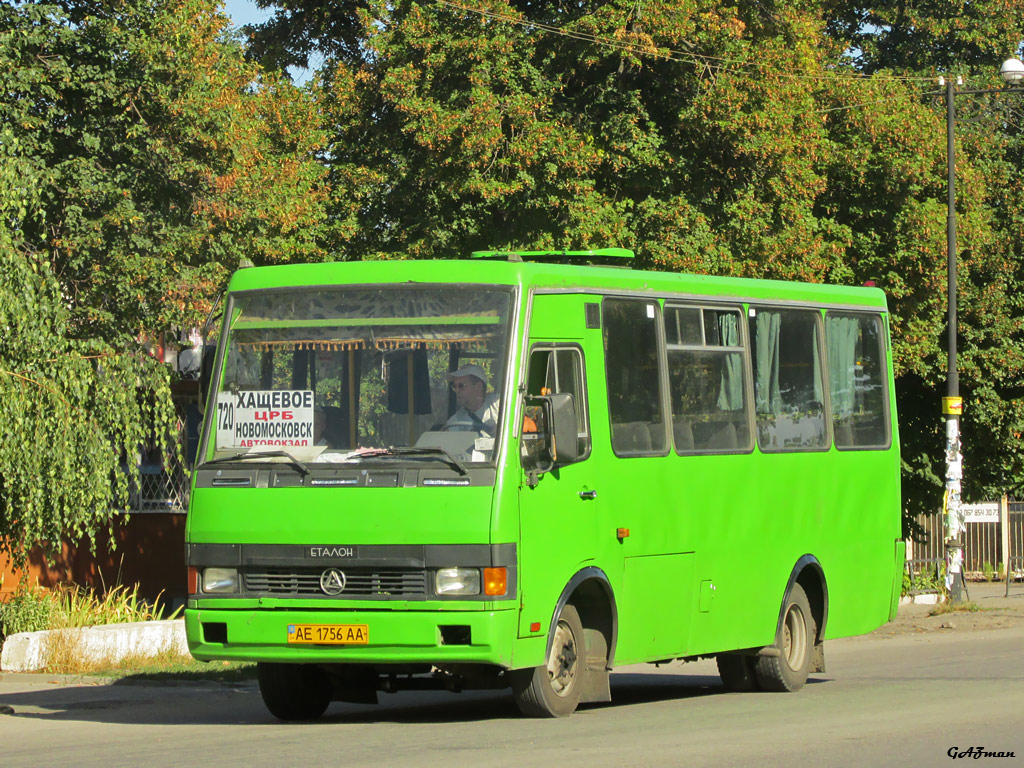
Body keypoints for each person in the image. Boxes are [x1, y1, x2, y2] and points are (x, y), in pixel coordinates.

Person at [445, 363, 499, 435]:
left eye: (461, 386)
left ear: (479, 386)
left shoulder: (497, 404)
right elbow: (442, 440)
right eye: (455, 386)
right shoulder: (457, 420)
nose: (457, 390)